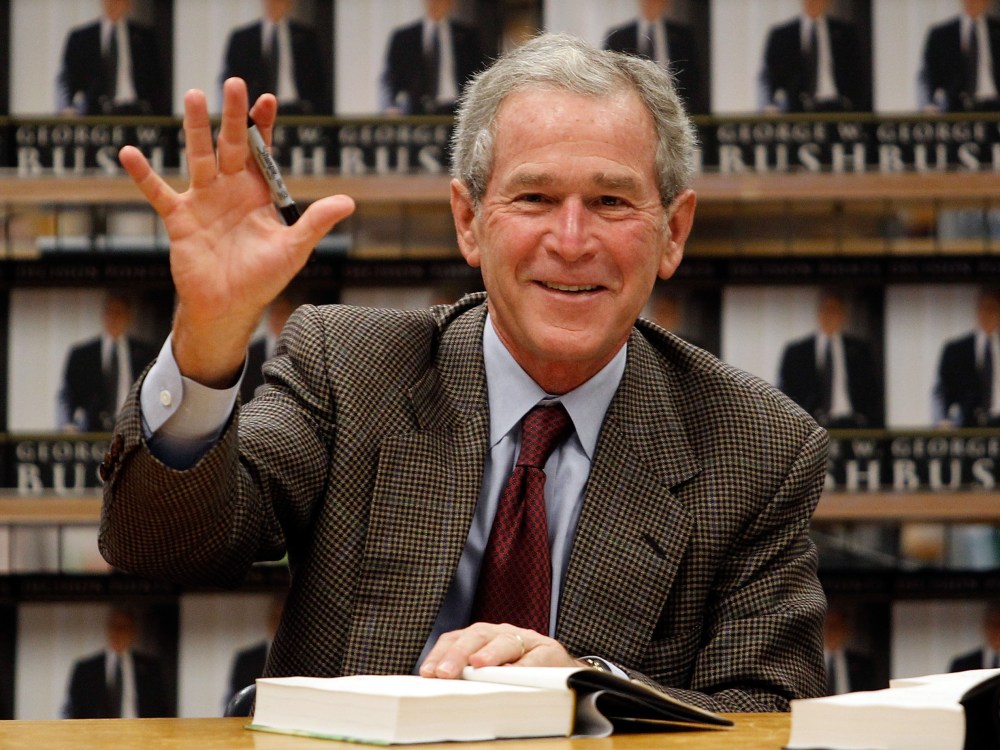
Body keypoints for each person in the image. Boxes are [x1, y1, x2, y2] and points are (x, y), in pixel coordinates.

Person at [103, 33, 828, 712]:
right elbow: (165, 547)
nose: (571, 241)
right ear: (468, 218)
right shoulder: (350, 368)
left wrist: (589, 690)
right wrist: (211, 331)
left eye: (610, 201)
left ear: (673, 232)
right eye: (534, 198)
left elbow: (767, 714)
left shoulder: (759, 446)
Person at [777, 290, 883, 428]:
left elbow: (873, 392)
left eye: (835, 310)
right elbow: (786, 393)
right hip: (810, 425)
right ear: (818, 313)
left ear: (843, 315)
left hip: (853, 425)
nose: (830, 315)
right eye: (826, 309)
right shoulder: (796, 352)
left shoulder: (861, 350)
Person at [58, 293, 157, 432]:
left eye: (119, 313)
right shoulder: (81, 354)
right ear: (103, 315)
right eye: (110, 312)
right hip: (90, 431)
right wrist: (67, 424)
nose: (114, 318)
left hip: (133, 430)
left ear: (129, 317)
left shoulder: (146, 353)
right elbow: (67, 395)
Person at [56, 0, 168, 116]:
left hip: (136, 114)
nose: (113, 3)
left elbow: (157, 82)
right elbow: (66, 80)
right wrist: (66, 108)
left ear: (128, 3)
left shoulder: (145, 38)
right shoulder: (80, 38)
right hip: (95, 114)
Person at [221, 0, 330, 115]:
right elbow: (232, 77)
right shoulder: (242, 38)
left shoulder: (306, 36)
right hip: (255, 110)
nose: (276, 4)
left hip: (296, 111)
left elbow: (318, 80)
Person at [759, 0, 869, 113]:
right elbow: (767, 78)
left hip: (838, 110)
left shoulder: (846, 33)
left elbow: (859, 76)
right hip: (795, 110)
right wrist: (769, 106)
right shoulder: (781, 35)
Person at [382, 0, 485, 115]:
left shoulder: (467, 36)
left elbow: (479, 75)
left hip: (457, 111)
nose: (435, 3)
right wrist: (391, 106)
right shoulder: (404, 37)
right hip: (417, 112)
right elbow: (390, 78)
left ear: (451, 3)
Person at [63, 608, 170, 718]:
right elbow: (71, 710)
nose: (118, 632)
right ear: (108, 629)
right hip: (98, 732)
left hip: (139, 731)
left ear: (133, 632)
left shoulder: (151, 668)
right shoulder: (85, 669)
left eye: (124, 627)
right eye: (114, 626)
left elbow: (162, 709)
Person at [603, 0, 704, 113]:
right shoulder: (619, 37)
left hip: (674, 109)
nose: (652, 3)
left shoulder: (683, 36)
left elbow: (693, 79)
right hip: (631, 107)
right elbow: (609, 76)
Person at [933, 288, 1000, 428]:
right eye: (985, 308)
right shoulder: (955, 350)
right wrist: (943, 420)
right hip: (967, 425)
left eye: (994, 309)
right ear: (977, 311)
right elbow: (942, 391)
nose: (989, 314)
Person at [919, 0, 1000, 113]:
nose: (973, 2)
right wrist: (927, 104)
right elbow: (926, 76)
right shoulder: (941, 34)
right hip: (956, 109)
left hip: (994, 110)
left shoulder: (996, 30)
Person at [227, 595, 285, 706]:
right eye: (275, 618)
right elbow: (235, 699)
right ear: (269, 619)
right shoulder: (246, 659)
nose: (279, 624)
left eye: (283, 619)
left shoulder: (305, 657)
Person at [241, 292, 298, 404]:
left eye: (282, 313)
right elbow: (245, 387)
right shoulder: (252, 351)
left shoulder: (299, 349)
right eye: (274, 313)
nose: (277, 318)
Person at [823, 606, 879, 695]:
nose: (832, 631)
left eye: (837, 626)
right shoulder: (808, 663)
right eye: (828, 625)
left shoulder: (863, 664)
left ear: (845, 630)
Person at [949, 603, 1000, 671]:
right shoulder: (961, 664)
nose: (996, 630)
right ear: (984, 626)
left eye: (998, 624)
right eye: (992, 624)